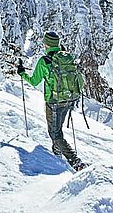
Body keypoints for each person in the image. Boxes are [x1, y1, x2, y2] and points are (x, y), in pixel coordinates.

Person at [17, 31, 87, 171]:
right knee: (57, 129)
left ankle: (76, 162)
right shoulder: (67, 57)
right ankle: (57, 154)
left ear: (47, 44)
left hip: (53, 101)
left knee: (55, 133)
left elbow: (34, 81)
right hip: (69, 99)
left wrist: (22, 73)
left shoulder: (45, 61)